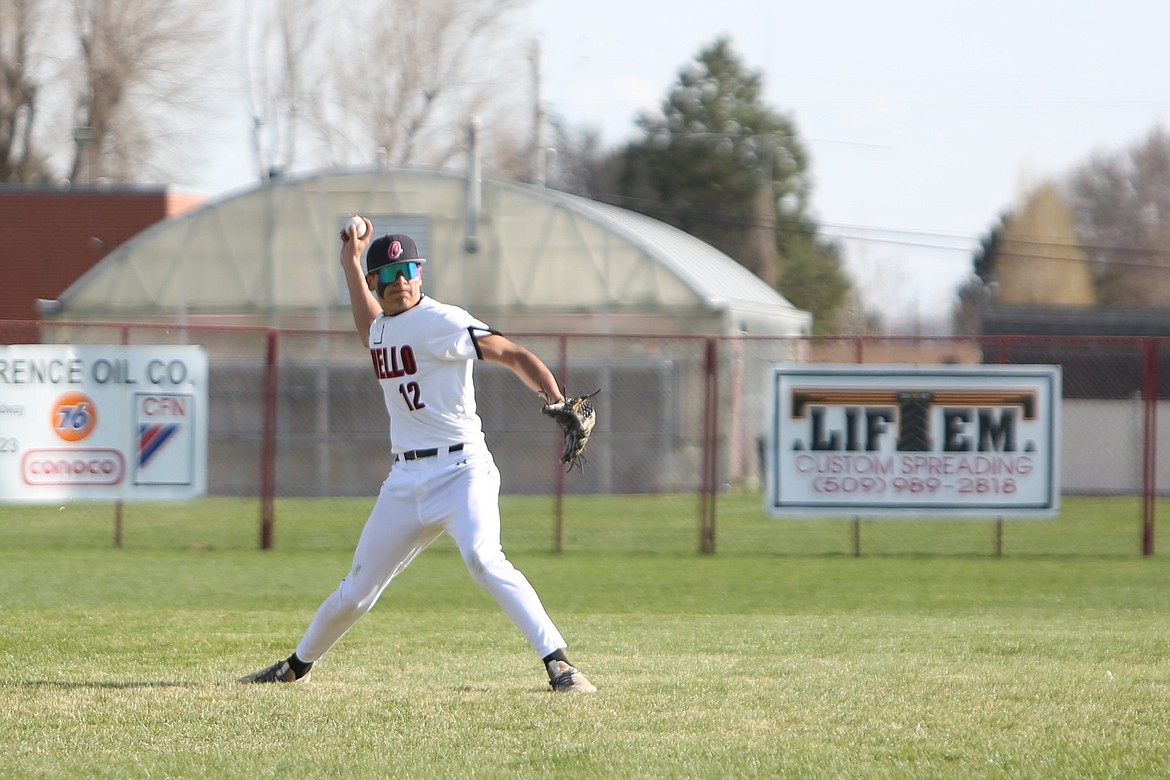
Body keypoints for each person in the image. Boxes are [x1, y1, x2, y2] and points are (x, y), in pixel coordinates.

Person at [237, 219, 596, 693]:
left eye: (408, 269)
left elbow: (511, 353)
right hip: (405, 481)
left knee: (484, 560)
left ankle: (560, 665)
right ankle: (295, 667)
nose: (400, 280)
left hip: (462, 469)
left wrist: (557, 399)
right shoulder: (383, 329)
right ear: (374, 283)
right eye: (389, 274)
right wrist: (349, 261)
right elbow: (369, 328)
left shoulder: (443, 320)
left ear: (420, 275)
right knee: (357, 590)